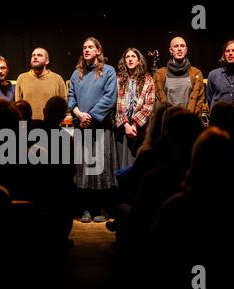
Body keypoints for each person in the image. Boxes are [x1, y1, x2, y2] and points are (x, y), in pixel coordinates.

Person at [68, 37, 118, 223]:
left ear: (98, 50)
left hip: (100, 126)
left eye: (90, 47)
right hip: (82, 126)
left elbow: (109, 97)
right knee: (83, 169)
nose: (87, 50)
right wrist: (79, 114)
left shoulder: (108, 71)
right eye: (84, 47)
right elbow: (71, 96)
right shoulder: (77, 73)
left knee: (100, 168)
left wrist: (91, 116)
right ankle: (86, 209)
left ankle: (102, 208)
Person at [115, 48, 154, 169]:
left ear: (139, 60)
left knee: (138, 160)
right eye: (127, 57)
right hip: (123, 125)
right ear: (124, 60)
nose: (130, 59)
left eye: (133, 56)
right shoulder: (118, 79)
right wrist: (126, 124)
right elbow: (116, 103)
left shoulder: (148, 79)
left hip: (139, 126)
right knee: (122, 161)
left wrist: (135, 125)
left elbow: (149, 105)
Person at [154, 37, 207, 119]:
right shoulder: (160, 74)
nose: (179, 49)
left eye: (182, 46)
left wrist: (189, 118)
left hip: (189, 121)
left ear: (186, 50)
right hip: (168, 122)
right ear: (171, 51)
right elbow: (158, 101)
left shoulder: (196, 73)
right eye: (176, 46)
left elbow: (199, 101)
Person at [15, 47, 67, 120]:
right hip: (26, 126)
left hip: (49, 126)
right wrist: (22, 128)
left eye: (39, 55)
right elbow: (18, 107)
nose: (35, 57)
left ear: (47, 61)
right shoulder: (22, 78)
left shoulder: (57, 79)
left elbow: (63, 105)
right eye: (33, 55)